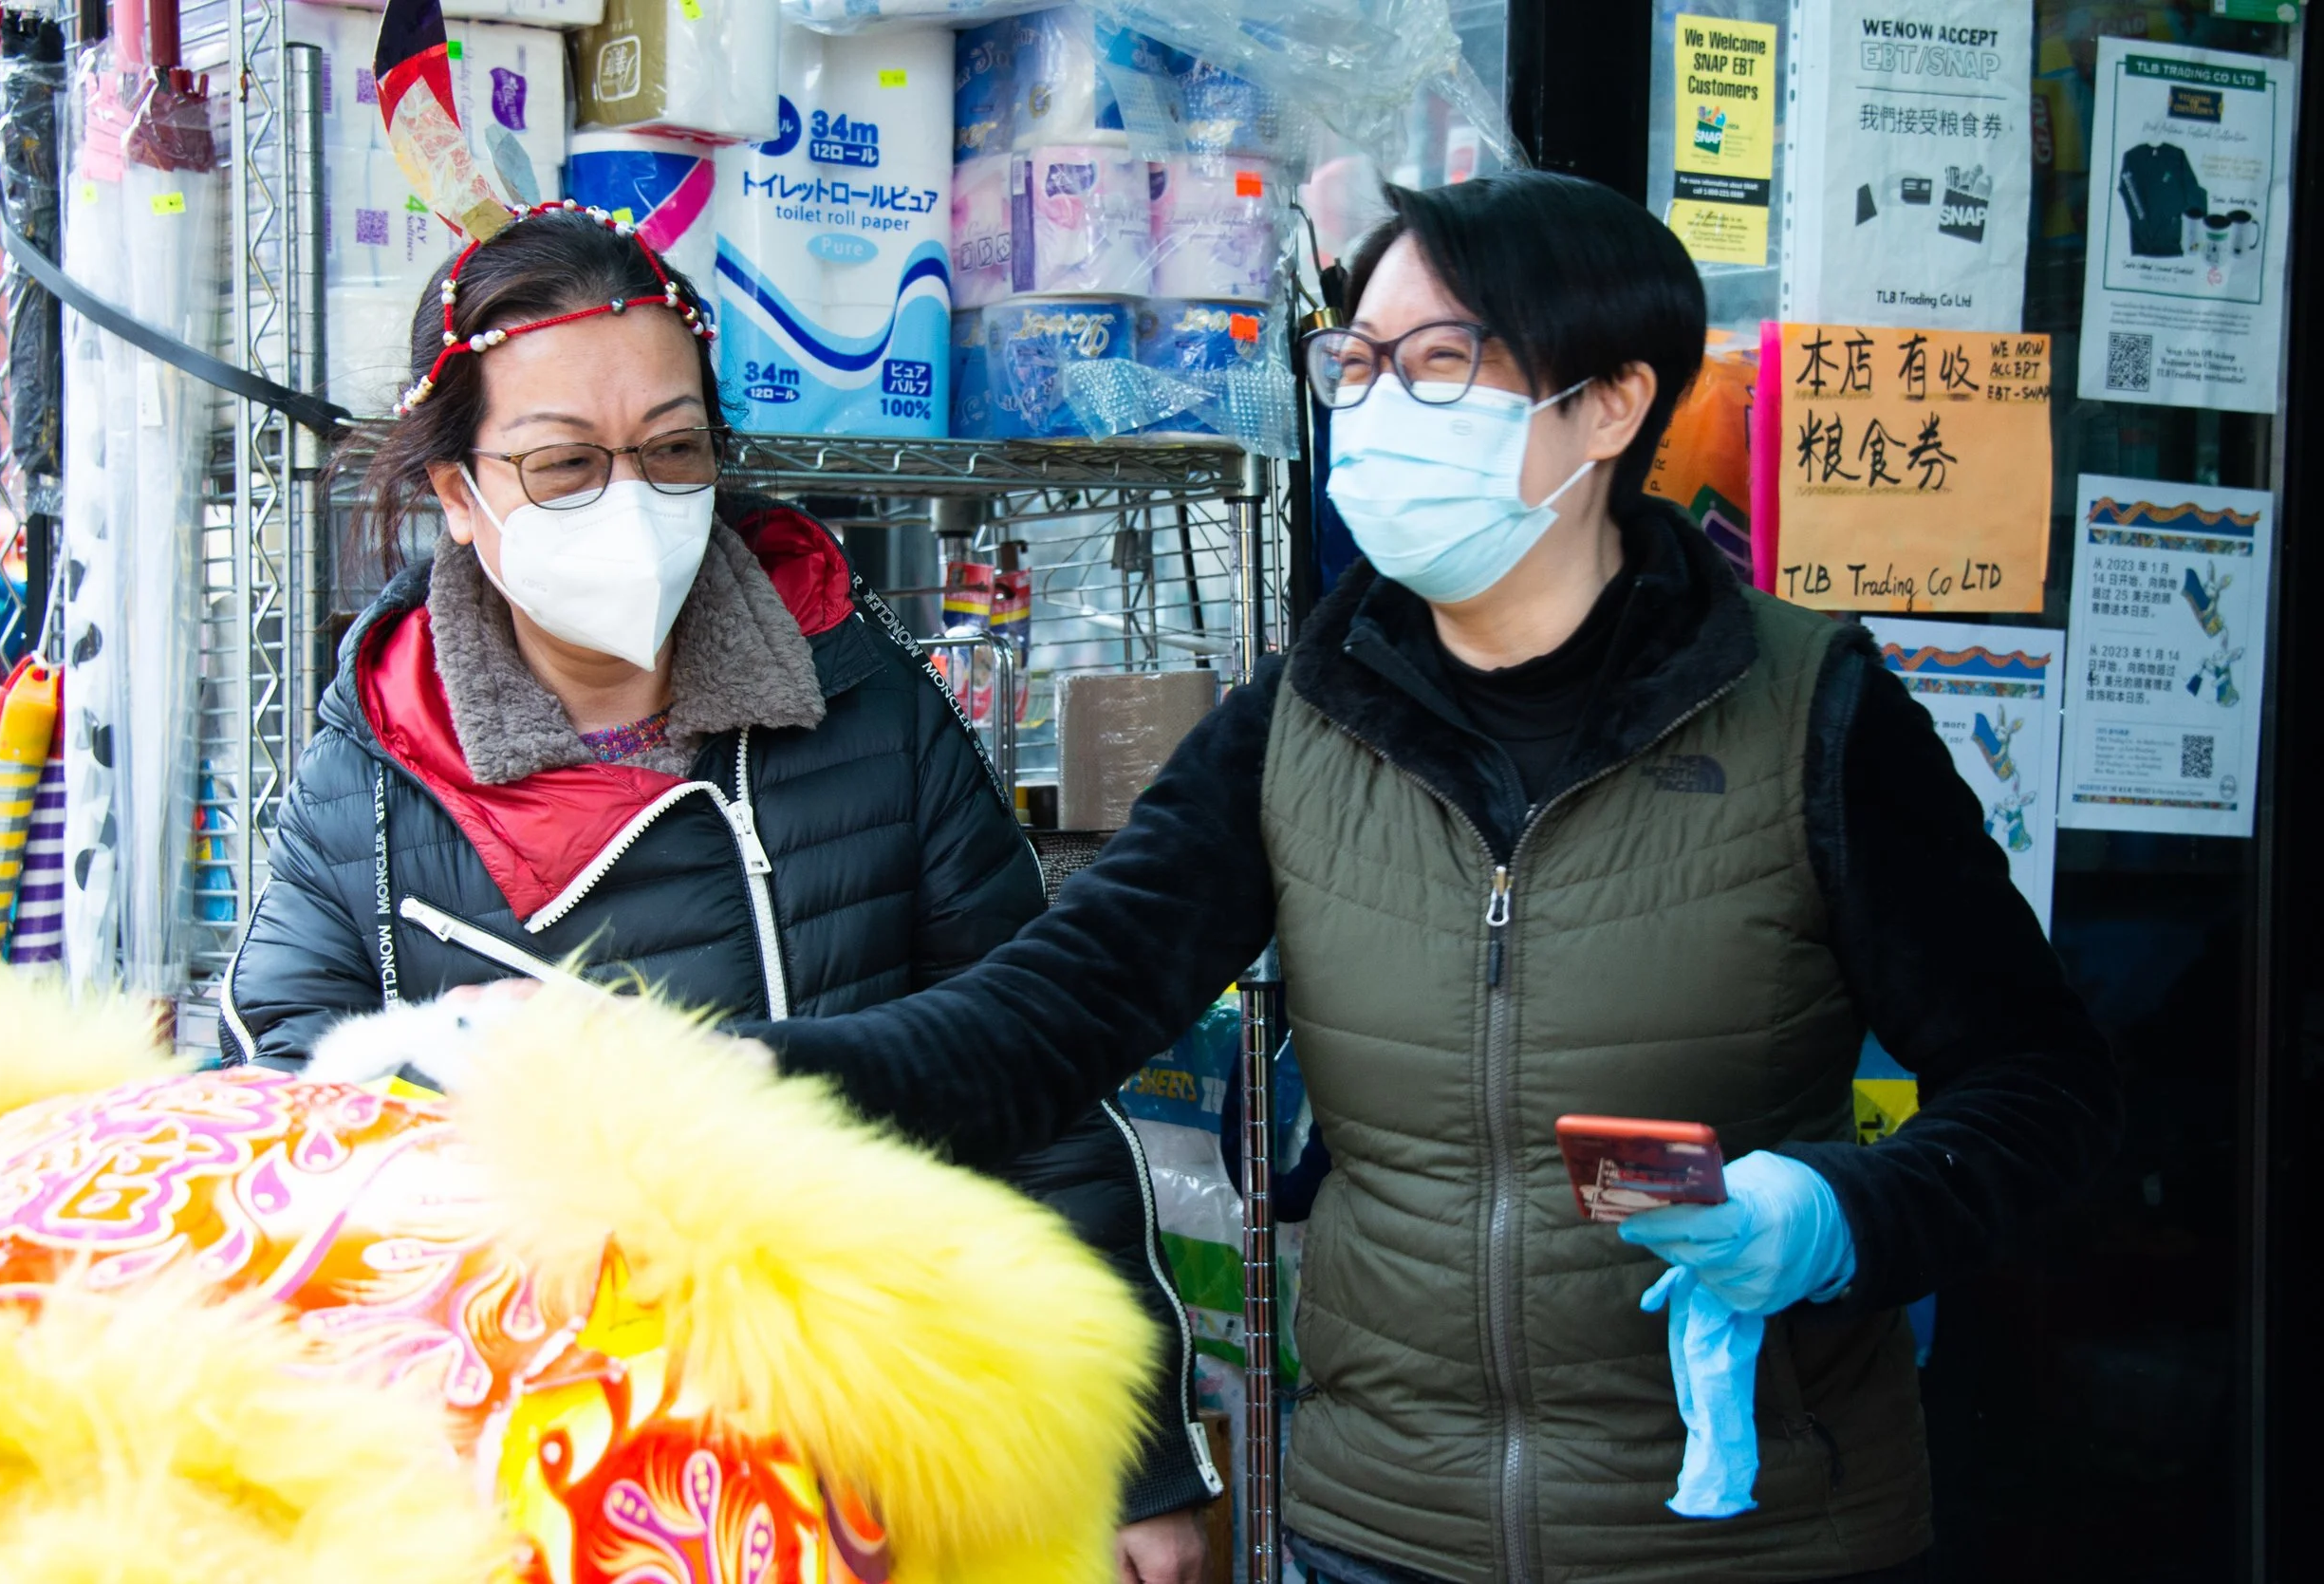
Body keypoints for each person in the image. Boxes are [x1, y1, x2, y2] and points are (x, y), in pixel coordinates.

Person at [751, 171, 2121, 1582]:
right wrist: (733, 1076)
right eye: (1356, 360)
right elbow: (1046, 1015)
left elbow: (2044, 1088)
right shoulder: (1299, 725)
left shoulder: (1808, 715)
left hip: (1747, 1541)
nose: (1378, 402)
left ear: (1606, 406)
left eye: (1442, 362)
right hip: (1379, 1533)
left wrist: (1840, 1220)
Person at [215, 203, 1218, 1582]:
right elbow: (285, 1132)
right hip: (524, 1478)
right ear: (458, 493)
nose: (629, 502)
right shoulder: (371, 774)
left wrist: (1137, 1461)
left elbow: (1038, 1086)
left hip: (869, 1454)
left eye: (672, 451)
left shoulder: (869, 711)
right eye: (564, 465)